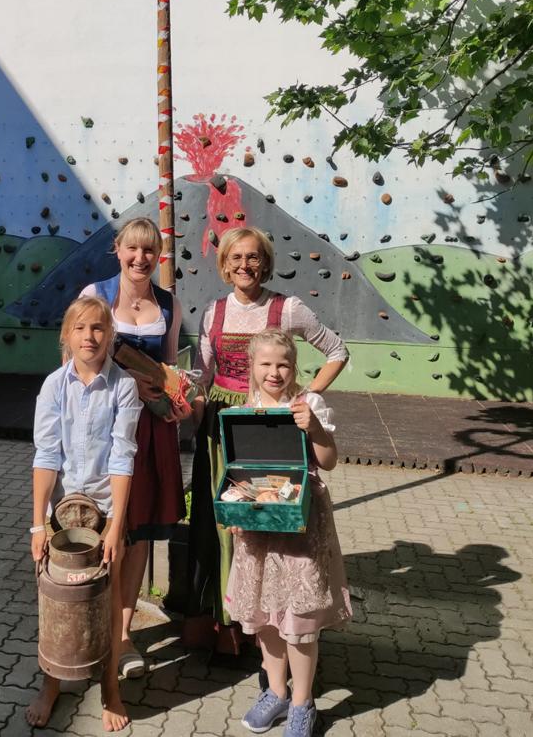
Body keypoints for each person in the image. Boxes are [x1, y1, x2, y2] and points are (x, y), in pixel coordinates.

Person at [184, 226, 348, 653]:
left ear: (266, 262)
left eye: (253, 257)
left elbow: (337, 350)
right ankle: (221, 620)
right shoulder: (212, 312)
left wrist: (308, 396)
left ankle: (266, 626)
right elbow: (202, 377)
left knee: (265, 520)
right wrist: (187, 403)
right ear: (224, 265)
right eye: (236, 258)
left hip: (270, 427)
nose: (245, 265)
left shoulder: (287, 308)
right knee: (216, 519)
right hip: (223, 426)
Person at [226, 329, 352, 737]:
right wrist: (233, 504)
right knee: (265, 618)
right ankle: (276, 693)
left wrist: (314, 428)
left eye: (283, 364)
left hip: (301, 529)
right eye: (266, 364)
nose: (274, 372)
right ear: (254, 367)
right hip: (259, 527)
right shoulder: (249, 406)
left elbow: (329, 461)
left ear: (294, 367)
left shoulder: (308, 403)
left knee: (297, 622)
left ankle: (302, 703)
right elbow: (241, 468)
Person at [26, 296, 142, 733]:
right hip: (61, 514)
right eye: (80, 328)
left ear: (110, 334)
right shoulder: (54, 387)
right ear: (67, 336)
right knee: (56, 600)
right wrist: (38, 523)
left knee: (108, 601)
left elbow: (122, 457)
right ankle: (52, 684)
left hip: (104, 513)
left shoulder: (123, 387)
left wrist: (115, 527)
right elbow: (46, 455)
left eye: (98, 328)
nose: (89, 336)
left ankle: (110, 688)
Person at [80, 217, 185, 678]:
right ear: (117, 250)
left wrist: (178, 396)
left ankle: (123, 638)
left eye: (150, 251)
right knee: (108, 529)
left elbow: (171, 366)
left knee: (138, 532)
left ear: (158, 256)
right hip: (106, 427)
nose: (141, 259)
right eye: (132, 249)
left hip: (153, 430)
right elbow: (75, 362)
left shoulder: (170, 304)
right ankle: (93, 626)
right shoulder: (95, 295)